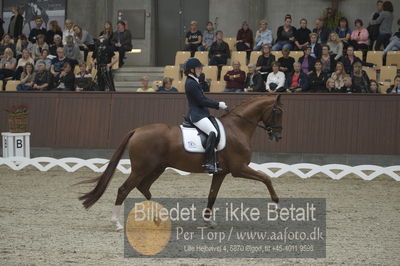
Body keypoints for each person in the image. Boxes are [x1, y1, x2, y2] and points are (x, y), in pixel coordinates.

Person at [184, 58, 228, 173]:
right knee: (213, 132)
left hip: (201, 113)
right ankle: (208, 163)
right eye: (199, 68)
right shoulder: (191, 83)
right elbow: (201, 101)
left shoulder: (195, 81)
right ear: (192, 70)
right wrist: (218, 105)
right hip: (197, 114)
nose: (201, 69)